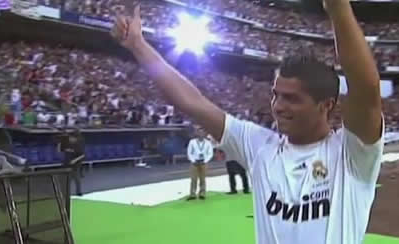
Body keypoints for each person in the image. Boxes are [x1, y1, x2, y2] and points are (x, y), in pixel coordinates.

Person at [112, 0, 383, 243]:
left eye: (292, 99)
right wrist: (138, 45)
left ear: (326, 105)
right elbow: (191, 102)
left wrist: (338, 8)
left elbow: (367, 90)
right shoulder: (259, 147)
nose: (278, 106)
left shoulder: (351, 155)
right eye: (276, 95)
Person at [186, 129, 214, 200]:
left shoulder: (208, 143)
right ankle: (192, 194)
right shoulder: (192, 142)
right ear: (197, 134)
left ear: (204, 134)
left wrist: (205, 160)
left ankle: (202, 193)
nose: (201, 134)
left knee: (202, 179)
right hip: (194, 162)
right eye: (199, 133)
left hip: (203, 162)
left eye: (202, 132)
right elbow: (189, 152)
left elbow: (210, 153)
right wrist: (193, 160)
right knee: (193, 179)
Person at [58, 129, 85, 196]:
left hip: (75, 165)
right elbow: (59, 150)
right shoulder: (66, 144)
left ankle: (78, 192)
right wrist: (60, 143)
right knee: (66, 180)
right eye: (70, 138)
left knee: (77, 179)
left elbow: (82, 155)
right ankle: (64, 193)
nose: (71, 139)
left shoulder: (78, 145)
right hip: (66, 164)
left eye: (72, 138)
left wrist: (74, 160)